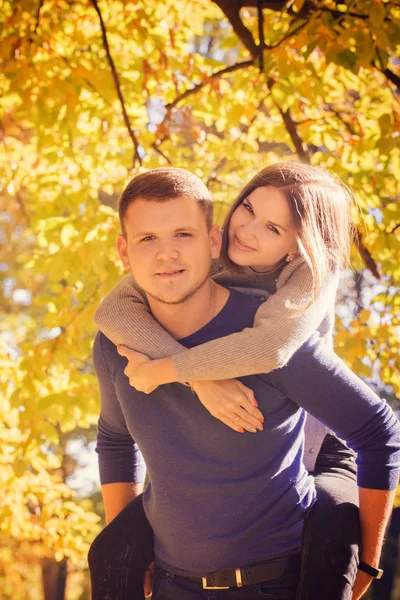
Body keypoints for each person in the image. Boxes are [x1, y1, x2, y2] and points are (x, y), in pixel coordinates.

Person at [89, 166, 400, 600]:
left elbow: (375, 428)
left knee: (333, 525)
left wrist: (368, 559)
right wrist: (131, 548)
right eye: (248, 209)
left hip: (283, 557)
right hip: (172, 587)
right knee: (103, 553)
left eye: (183, 235)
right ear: (125, 250)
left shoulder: (284, 317)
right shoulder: (122, 336)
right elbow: (115, 439)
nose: (166, 254)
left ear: (209, 240)